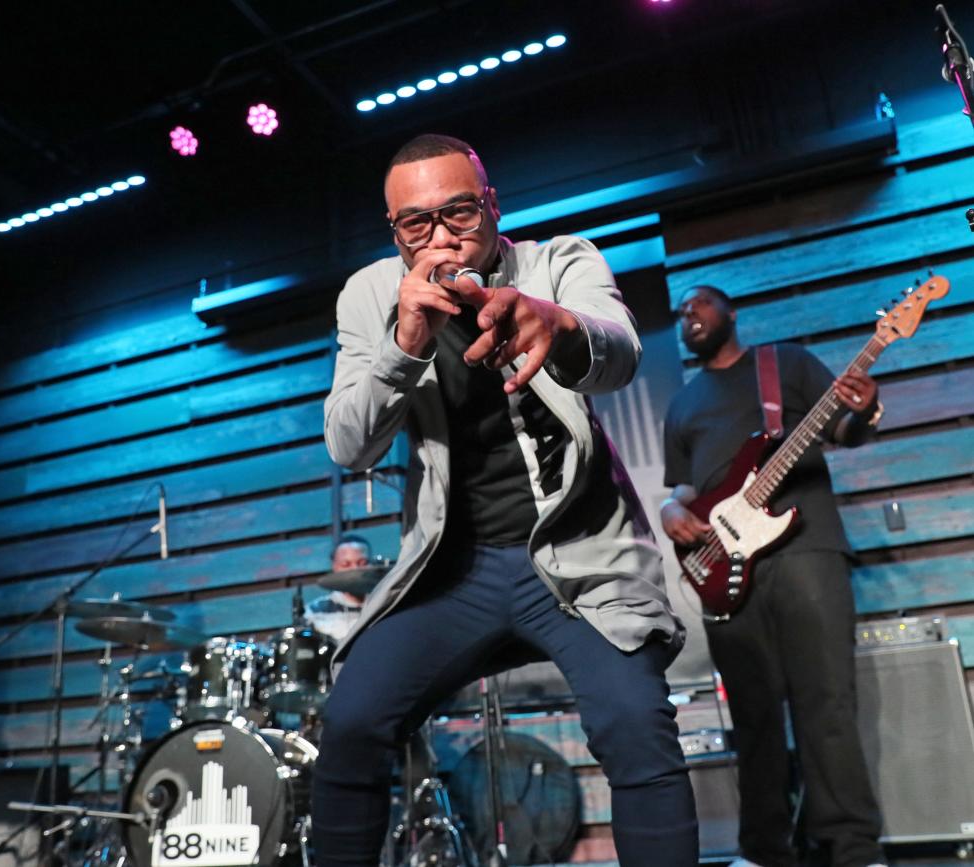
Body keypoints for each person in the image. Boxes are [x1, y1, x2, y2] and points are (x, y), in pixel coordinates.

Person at [314, 133, 698, 866]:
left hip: (580, 558)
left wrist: (560, 327)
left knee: (634, 720)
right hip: (452, 570)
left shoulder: (559, 262)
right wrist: (405, 339)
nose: (439, 236)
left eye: (458, 211)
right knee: (354, 720)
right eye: (414, 224)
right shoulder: (370, 294)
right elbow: (347, 444)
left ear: (492, 206)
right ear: (394, 230)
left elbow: (620, 351)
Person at [661, 285, 886, 867]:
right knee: (753, 717)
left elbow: (842, 430)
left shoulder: (783, 364)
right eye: (681, 311)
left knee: (826, 703)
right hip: (723, 567)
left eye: (699, 304)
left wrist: (862, 408)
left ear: (730, 312)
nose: (689, 314)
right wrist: (670, 513)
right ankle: (764, 850)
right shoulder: (681, 405)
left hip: (805, 548)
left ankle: (850, 847)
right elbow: (685, 489)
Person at [304, 534, 375, 641]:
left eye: (362, 563)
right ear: (335, 566)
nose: (355, 570)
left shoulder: (384, 604)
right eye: (346, 564)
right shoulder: (315, 611)